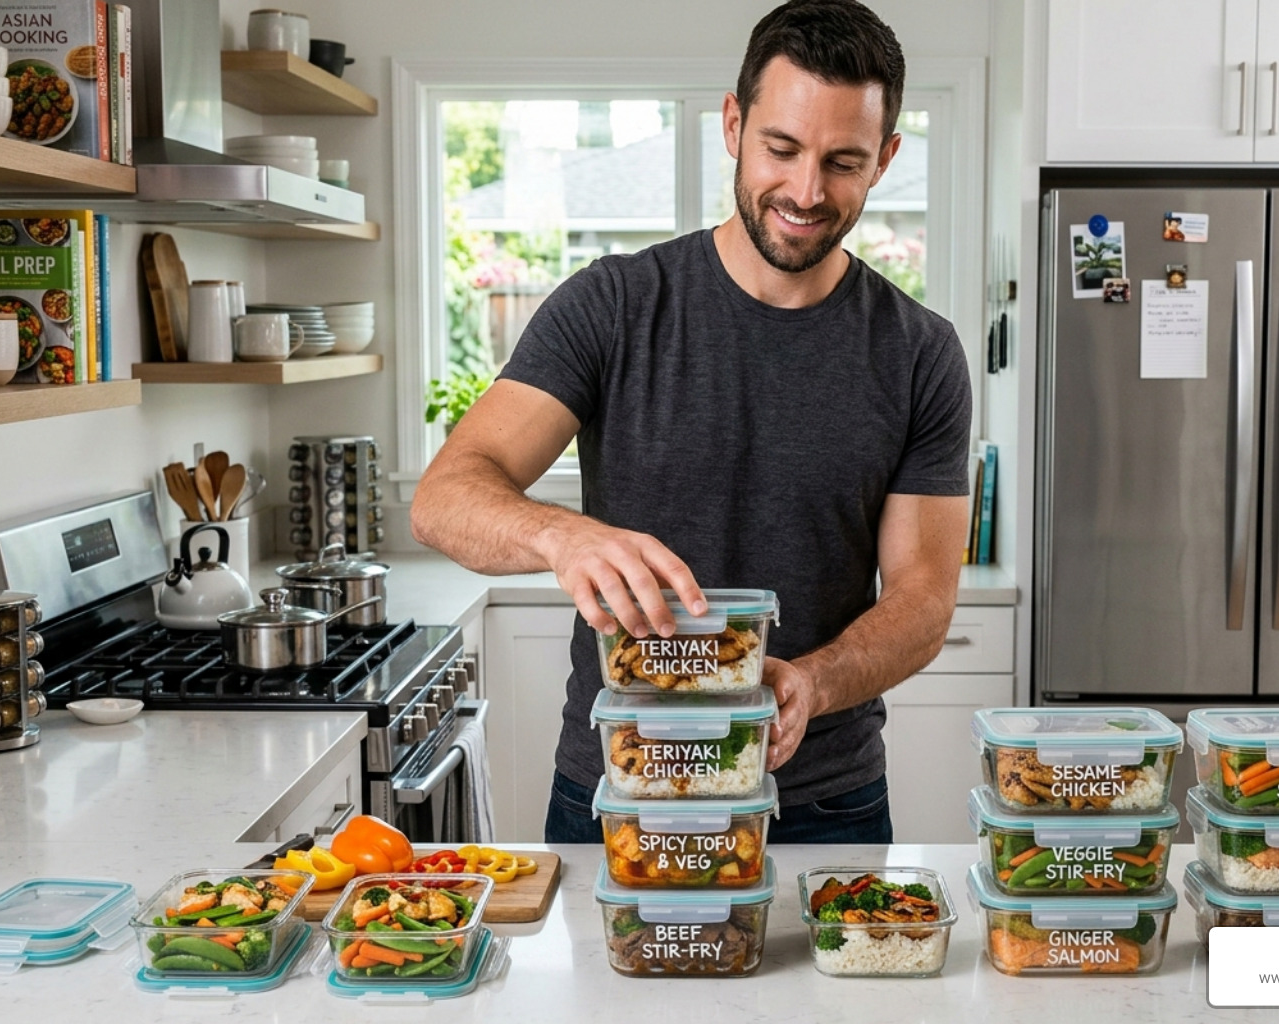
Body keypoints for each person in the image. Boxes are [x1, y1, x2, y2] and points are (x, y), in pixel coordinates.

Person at [410, 0, 973, 844]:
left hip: (822, 801)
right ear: (734, 125)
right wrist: (562, 537)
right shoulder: (613, 305)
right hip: (624, 786)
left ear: (885, 159)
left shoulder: (920, 352)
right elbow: (444, 498)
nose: (807, 191)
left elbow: (924, 599)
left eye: (843, 162)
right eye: (781, 148)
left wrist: (815, 682)